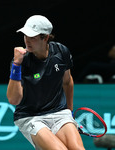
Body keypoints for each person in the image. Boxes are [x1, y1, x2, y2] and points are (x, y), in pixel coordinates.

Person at [7, 15, 85, 150]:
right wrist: (16, 65)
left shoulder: (61, 52)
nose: (27, 41)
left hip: (59, 112)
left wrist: (70, 112)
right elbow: (14, 100)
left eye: (33, 37)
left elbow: (67, 82)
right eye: (25, 35)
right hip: (31, 117)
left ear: (46, 37)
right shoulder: (21, 60)